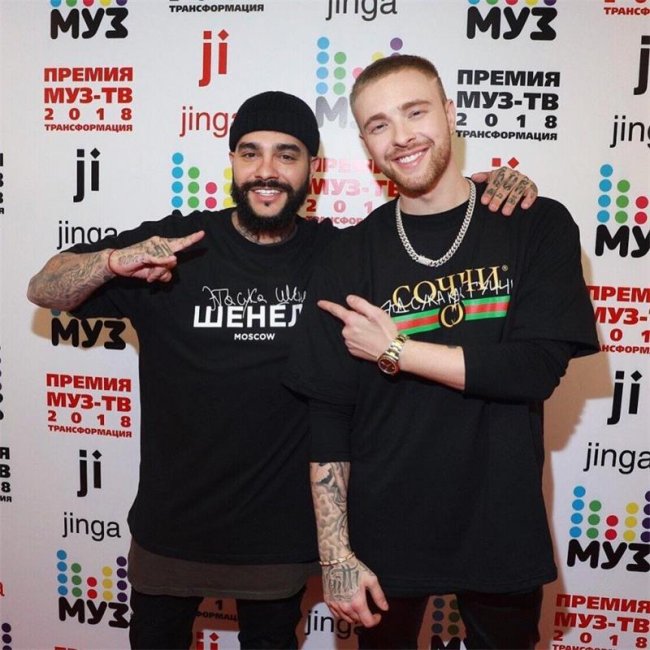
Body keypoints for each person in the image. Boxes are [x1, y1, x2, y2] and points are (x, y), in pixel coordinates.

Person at [27, 89, 538, 650]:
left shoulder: (340, 253)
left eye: (286, 154)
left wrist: (479, 191)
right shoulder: (176, 246)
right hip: (169, 534)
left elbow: (433, 238)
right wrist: (110, 263)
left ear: (312, 169)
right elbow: (45, 287)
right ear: (232, 160)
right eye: (250, 153)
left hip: (279, 542)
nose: (266, 170)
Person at [283, 55, 600, 650]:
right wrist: (336, 555)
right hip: (384, 529)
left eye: (416, 112)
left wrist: (396, 349)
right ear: (366, 146)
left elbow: (533, 370)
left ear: (450, 114)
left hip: (499, 524)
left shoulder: (535, 224)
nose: (401, 136)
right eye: (379, 125)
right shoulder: (348, 254)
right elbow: (328, 413)